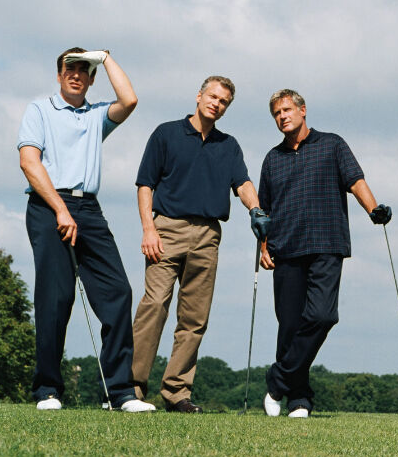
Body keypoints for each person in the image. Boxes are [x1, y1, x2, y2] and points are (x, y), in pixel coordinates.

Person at [17, 48, 156, 412]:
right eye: (70, 68)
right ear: (59, 74)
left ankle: (121, 393)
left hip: (89, 209)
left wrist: (106, 58)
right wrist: (61, 210)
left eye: (84, 70)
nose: (76, 74)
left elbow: (130, 99)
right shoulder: (40, 110)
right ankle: (47, 389)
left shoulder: (97, 115)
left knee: (118, 292)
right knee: (56, 298)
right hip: (49, 206)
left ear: (91, 78)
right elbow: (29, 162)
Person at [130, 76, 271, 413]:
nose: (216, 104)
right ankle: (130, 389)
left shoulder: (229, 145)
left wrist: (256, 209)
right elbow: (145, 185)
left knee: (194, 318)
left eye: (223, 101)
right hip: (167, 229)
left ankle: (177, 393)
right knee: (154, 306)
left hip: (208, 235)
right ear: (199, 95)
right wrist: (148, 229)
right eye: (212, 96)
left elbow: (243, 183)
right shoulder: (166, 133)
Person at [258, 89, 391, 418]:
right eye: (277, 113)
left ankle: (278, 381)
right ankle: (299, 400)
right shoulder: (272, 158)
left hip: (327, 243)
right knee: (289, 326)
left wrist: (373, 209)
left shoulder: (332, 144)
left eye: (287, 110)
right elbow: (265, 210)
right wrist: (263, 246)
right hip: (285, 249)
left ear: (303, 110)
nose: (282, 117)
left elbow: (355, 180)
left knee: (322, 316)